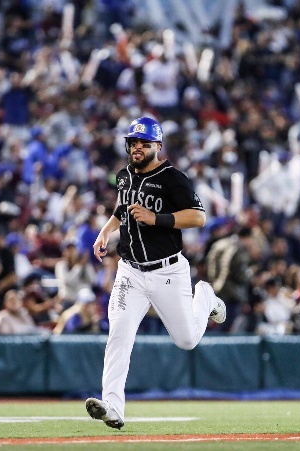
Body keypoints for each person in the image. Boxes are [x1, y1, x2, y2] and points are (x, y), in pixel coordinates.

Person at [84, 117, 226, 430]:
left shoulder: (173, 177)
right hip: (129, 272)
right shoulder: (123, 176)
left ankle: (204, 295)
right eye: (133, 142)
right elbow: (121, 209)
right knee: (119, 335)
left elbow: (198, 217)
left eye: (144, 143)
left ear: (157, 146)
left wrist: (156, 218)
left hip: (168, 271)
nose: (137, 147)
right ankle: (113, 408)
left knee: (187, 340)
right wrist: (105, 232)